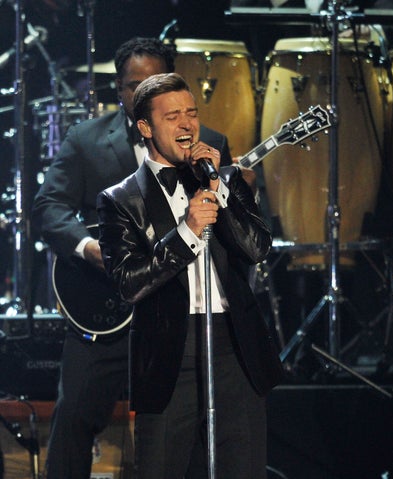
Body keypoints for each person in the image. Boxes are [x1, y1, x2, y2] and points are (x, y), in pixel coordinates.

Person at [31, 37, 245, 478]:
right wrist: (89, 249)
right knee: (74, 414)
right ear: (119, 90)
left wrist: (239, 193)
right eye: (132, 86)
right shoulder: (86, 139)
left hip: (176, 311)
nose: (141, 94)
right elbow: (47, 207)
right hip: (106, 309)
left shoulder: (208, 141)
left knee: (187, 426)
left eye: (154, 83)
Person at [96, 71, 284, 478]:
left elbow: (257, 248)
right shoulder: (120, 200)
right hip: (170, 355)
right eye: (172, 116)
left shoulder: (223, 180)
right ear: (145, 127)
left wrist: (220, 187)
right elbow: (130, 283)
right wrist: (186, 233)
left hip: (234, 348)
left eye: (192, 114)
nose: (186, 125)